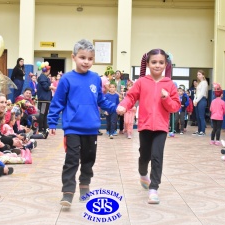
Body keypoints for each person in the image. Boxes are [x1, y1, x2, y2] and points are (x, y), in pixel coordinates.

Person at [47, 39, 117, 208]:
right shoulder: (66, 79)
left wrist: (116, 107)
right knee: (71, 159)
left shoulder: (95, 78)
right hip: (72, 127)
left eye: (90, 58)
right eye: (82, 57)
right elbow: (58, 102)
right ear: (74, 57)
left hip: (91, 128)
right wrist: (51, 122)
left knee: (88, 159)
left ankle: (84, 184)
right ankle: (68, 192)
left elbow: (100, 99)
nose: (86, 61)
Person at [117, 48, 181, 204]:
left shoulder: (170, 84)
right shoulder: (141, 82)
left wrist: (166, 98)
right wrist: (123, 106)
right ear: (148, 63)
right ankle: (143, 173)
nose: (157, 65)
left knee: (157, 157)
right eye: (154, 62)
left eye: (161, 62)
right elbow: (131, 97)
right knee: (144, 156)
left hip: (161, 128)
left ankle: (154, 188)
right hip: (145, 126)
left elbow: (175, 107)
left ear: (166, 64)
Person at [37, 64, 53, 138]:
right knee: (42, 114)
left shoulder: (44, 77)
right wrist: (52, 87)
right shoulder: (42, 77)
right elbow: (46, 87)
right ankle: (41, 129)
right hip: (43, 100)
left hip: (46, 100)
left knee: (45, 114)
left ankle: (44, 128)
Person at [192, 70, 208, 136]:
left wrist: (197, 100)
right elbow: (196, 93)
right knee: (198, 116)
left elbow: (201, 94)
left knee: (201, 116)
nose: (198, 75)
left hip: (202, 100)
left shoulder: (204, 83)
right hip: (197, 100)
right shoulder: (199, 83)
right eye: (197, 74)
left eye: (199, 74)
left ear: (203, 75)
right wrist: (194, 100)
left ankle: (203, 131)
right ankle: (199, 130)